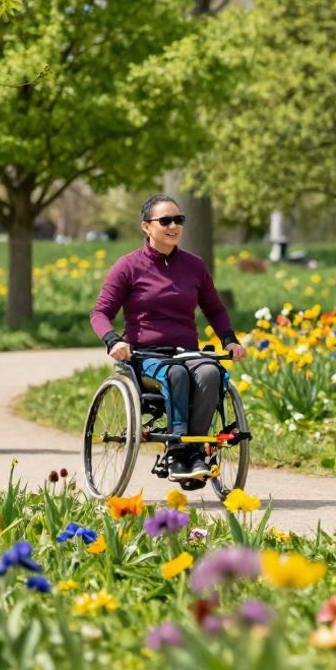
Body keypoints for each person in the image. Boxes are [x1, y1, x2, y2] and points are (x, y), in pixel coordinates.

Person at [90, 195, 247, 482]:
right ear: (146, 227)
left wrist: (229, 340)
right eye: (165, 221)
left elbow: (214, 308)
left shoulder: (194, 266)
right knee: (175, 373)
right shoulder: (128, 267)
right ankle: (176, 451)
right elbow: (100, 312)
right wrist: (113, 341)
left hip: (186, 352)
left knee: (211, 372)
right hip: (146, 356)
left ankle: (195, 451)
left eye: (179, 220)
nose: (173, 226)